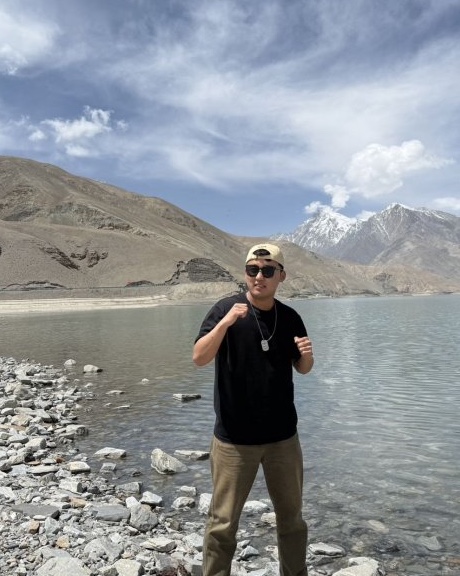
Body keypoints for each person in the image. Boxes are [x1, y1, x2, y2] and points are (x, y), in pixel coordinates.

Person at [193, 243, 314, 576]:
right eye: (253, 270)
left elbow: (302, 367)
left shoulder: (290, 318)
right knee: (222, 523)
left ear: (281, 276)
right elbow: (199, 357)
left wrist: (307, 357)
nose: (259, 276)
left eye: (267, 270)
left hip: (283, 439)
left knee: (292, 521)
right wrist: (225, 324)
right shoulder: (225, 309)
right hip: (233, 441)